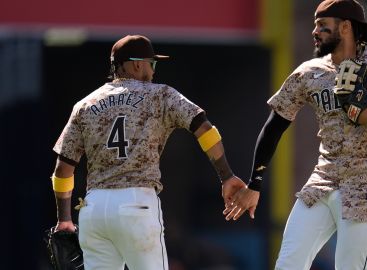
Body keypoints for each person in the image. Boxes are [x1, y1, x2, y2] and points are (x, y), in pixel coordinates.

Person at [223, 0, 367, 269]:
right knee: (288, 263)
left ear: (345, 27)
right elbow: (274, 127)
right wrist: (255, 184)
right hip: (322, 182)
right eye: (314, 25)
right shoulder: (309, 72)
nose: (315, 31)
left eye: (322, 25)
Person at [50, 34, 246, 270]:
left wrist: (64, 219)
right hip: (135, 204)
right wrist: (226, 175)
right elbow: (205, 130)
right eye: (152, 63)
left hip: (94, 209)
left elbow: (62, 169)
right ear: (136, 64)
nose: (153, 71)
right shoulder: (160, 94)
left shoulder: (85, 105)